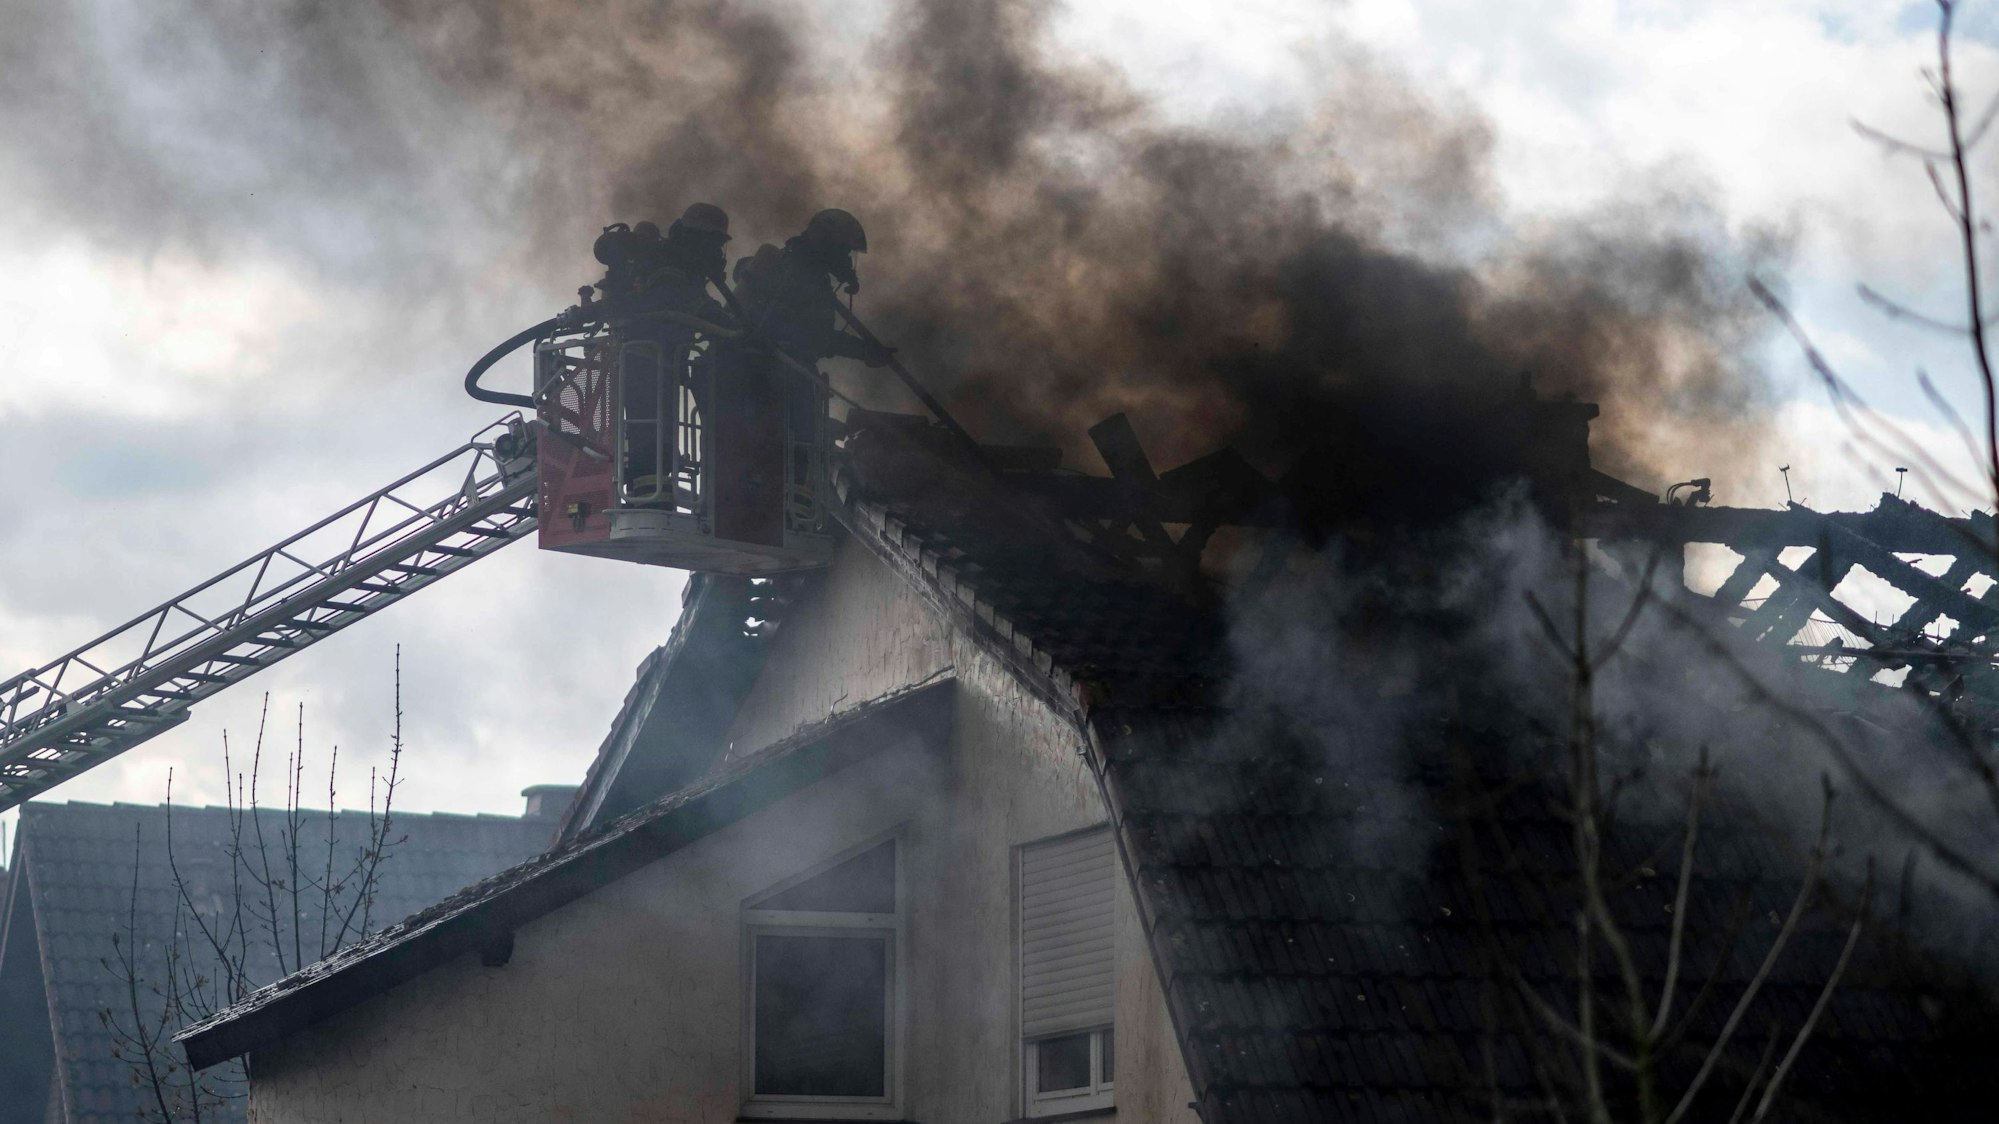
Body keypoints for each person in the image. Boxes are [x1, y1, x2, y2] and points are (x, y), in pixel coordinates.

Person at [732, 208, 894, 369]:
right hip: (767, 370)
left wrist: (864, 351)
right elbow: (818, 338)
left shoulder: (799, 271)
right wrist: (862, 351)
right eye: (843, 251)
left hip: (765, 366)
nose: (846, 261)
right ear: (826, 244)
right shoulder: (796, 275)